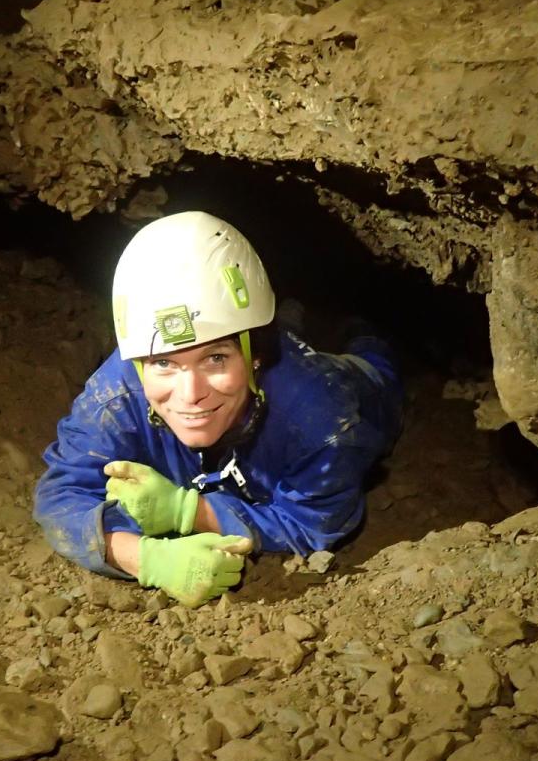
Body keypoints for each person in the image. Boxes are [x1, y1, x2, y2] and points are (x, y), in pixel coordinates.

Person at [33, 211, 402, 607]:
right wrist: (143, 558)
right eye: (164, 363)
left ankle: (362, 331)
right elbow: (61, 493)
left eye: (215, 359)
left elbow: (314, 521)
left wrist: (188, 512)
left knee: (374, 365)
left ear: (255, 355)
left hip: (353, 385)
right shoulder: (119, 391)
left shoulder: (320, 415)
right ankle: (287, 318)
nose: (190, 394)